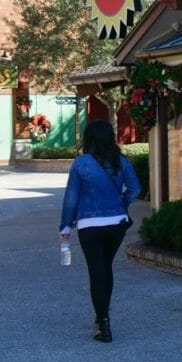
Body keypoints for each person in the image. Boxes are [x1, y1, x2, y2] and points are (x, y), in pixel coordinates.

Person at [60, 119, 141, 343]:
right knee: (106, 268)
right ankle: (102, 318)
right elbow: (135, 188)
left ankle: (102, 321)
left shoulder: (80, 163)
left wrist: (65, 225)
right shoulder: (121, 161)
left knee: (97, 272)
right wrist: (121, 203)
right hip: (116, 224)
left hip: (89, 225)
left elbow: (71, 198)